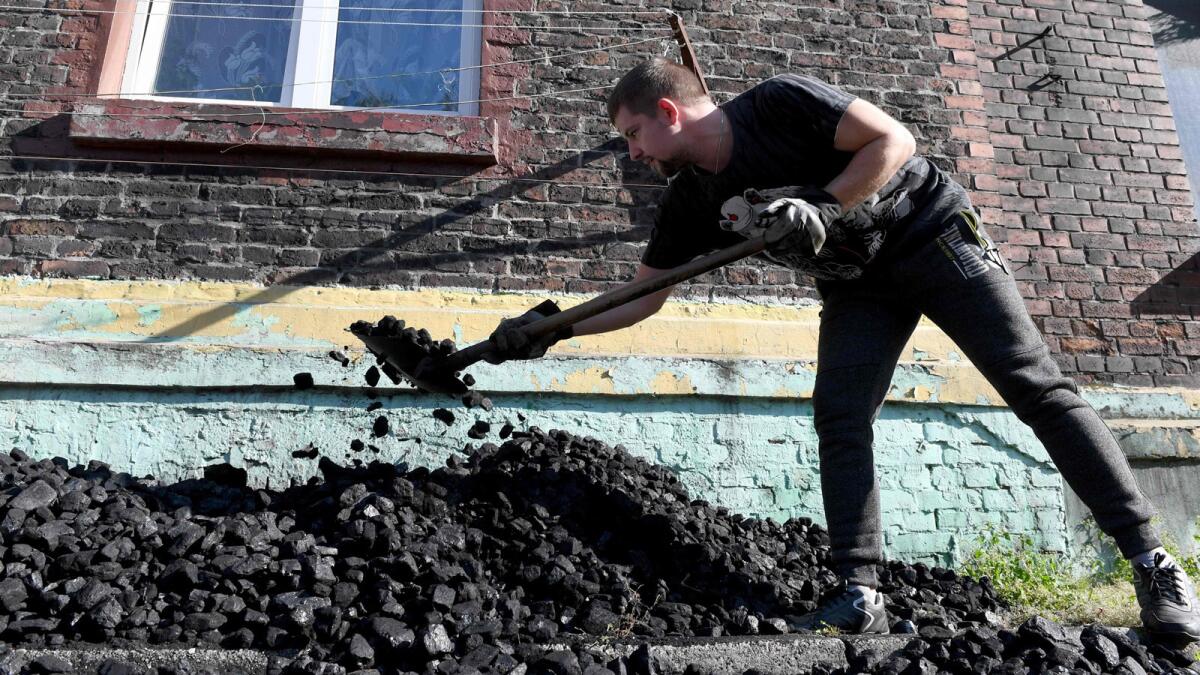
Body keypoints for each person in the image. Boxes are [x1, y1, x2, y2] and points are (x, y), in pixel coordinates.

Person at [485, 57, 1200, 639]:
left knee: (1033, 386)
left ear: (668, 113)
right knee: (840, 413)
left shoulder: (776, 104)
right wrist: (553, 328)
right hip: (861, 286)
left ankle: (1154, 563)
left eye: (634, 135)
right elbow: (645, 295)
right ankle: (860, 593)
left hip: (931, 235)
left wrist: (824, 206)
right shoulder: (691, 202)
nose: (635, 155)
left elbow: (894, 142)